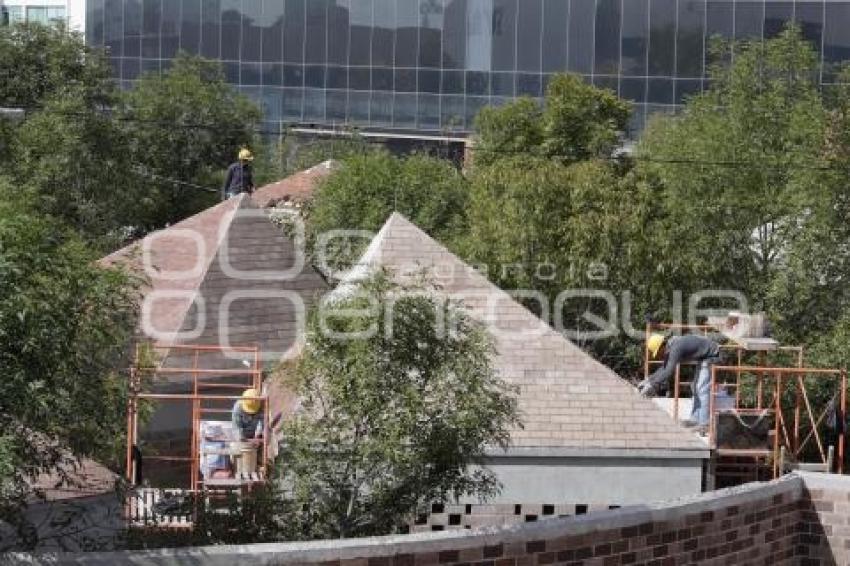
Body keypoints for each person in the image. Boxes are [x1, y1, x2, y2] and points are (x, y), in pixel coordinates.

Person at [638, 333, 723, 433]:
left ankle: (705, 424)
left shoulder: (676, 347)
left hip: (713, 355)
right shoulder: (672, 346)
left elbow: (669, 371)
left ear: (662, 345)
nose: (659, 354)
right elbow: (664, 368)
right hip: (704, 358)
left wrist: (652, 385)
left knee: (702, 389)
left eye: (658, 351)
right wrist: (649, 380)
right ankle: (695, 419)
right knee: (695, 388)